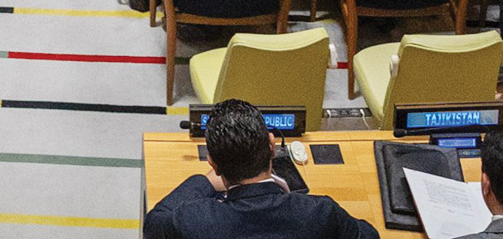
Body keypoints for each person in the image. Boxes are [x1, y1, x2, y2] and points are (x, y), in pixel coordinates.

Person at [143, 97, 377, 239]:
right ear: (272, 146)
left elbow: (153, 224)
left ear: (213, 163)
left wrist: (204, 181)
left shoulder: (194, 220)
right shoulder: (319, 213)